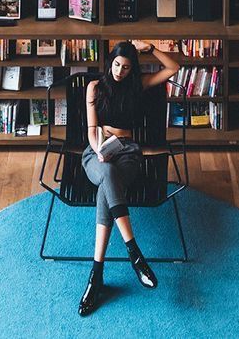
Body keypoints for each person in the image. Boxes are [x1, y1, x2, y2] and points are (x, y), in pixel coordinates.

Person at [78, 40, 180, 317]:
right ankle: (134, 253)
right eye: (116, 65)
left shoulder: (139, 85)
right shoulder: (95, 88)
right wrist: (99, 149)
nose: (119, 71)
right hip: (96, 151)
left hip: (127, 152)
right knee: (107, 173)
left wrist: (149, 49)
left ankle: (96, 275)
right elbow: (91, 128)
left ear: (132, 68)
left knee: (107, 186)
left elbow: (173, 66)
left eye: (126, 67)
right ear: (109, 62)